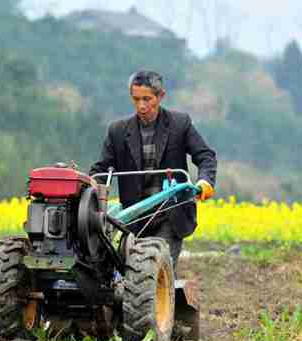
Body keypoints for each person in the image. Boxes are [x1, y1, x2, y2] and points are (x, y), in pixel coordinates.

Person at [89, 70, 217, 273]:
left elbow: (205, 156)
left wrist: (205, 182)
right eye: (136, 99)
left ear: (160, 96)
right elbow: (101, 170)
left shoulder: (179, 124)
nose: (141, 106)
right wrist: (90, 188)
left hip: (170, 214)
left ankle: (159, 302)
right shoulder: (118, 131)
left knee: (156, 270)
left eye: (147, 99)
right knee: (127, 273)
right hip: (134, 217)